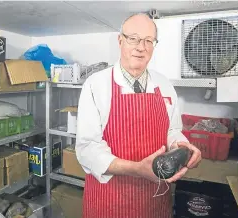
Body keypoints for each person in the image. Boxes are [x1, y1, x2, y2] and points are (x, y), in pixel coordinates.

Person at [75, 13, 202, 218]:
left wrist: (182, 147)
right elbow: (87, 149)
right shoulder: (96, 85)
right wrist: (137, 169)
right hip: (109, 200)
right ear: (120, 40)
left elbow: (172, 130)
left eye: (148, 40)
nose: (140, 47)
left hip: (155, 199)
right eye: (133, 38)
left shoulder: (164, 84)